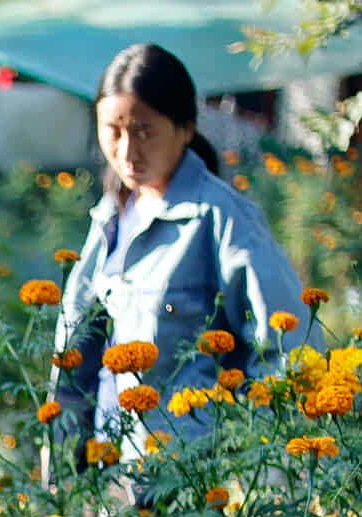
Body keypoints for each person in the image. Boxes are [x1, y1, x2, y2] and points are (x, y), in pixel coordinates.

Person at [49, 44, 304, 474]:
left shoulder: (224, 221)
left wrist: (256, 470)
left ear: (185, 129)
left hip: (190, 479)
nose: (127, 150)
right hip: (111, 471)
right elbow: (76, 348)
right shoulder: (111, 214)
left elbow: (284, 349)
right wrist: (61, 457)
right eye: (113, 129)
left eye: (145, 131)